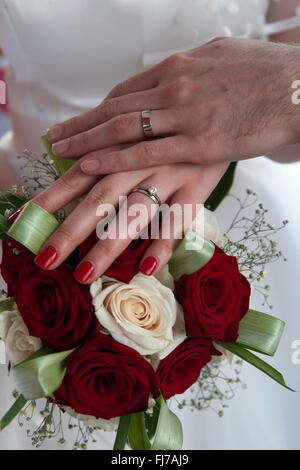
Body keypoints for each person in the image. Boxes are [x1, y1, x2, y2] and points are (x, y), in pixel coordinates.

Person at [0, 0, 300, 450]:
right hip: (37, 224)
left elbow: (287, 95)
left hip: (243, 218)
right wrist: (29, 227)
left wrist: (266, 98)